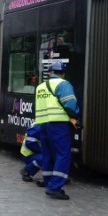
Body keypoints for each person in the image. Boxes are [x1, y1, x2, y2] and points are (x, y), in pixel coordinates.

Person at [34, 61, 80, 200]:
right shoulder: (63, 84)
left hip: (42, 124)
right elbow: (70, 104)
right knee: (62, 154)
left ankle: (49, 182)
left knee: (48, 154)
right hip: (58, 124)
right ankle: (54, 187)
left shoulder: (40, 87)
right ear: (63, 74)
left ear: (49, 73)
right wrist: (75, 115)